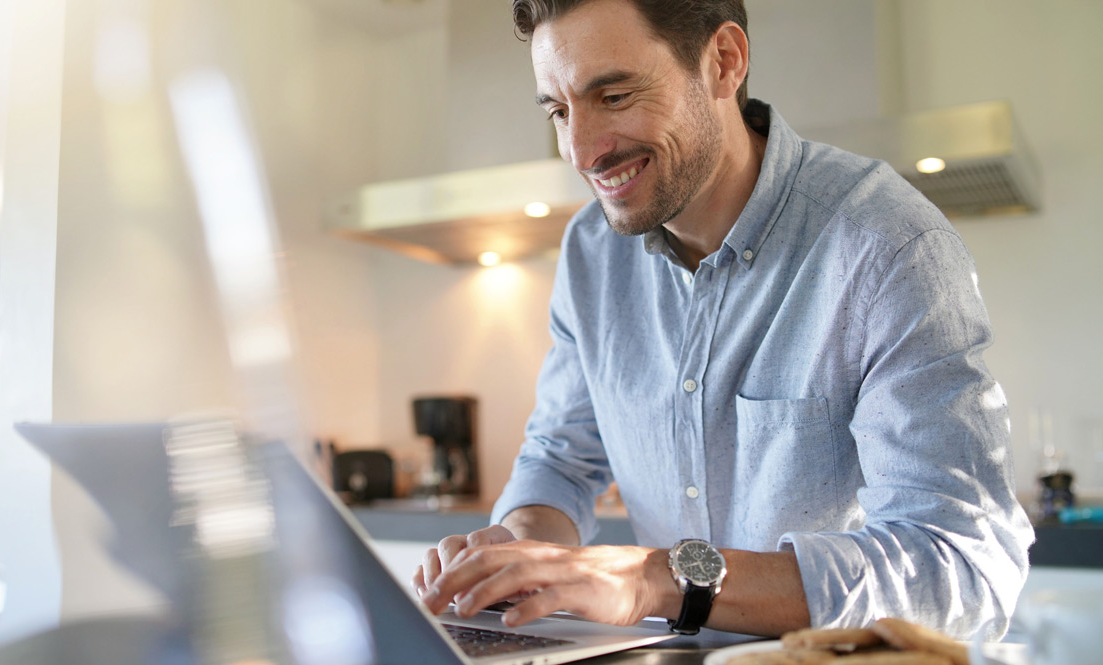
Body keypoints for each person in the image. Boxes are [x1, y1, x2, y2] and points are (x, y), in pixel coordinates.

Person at [413, 0, 1033, 640]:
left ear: (724, 62)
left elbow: (963, 567)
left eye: (616, 95)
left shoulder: (888, 247)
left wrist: (658, 580)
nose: (580, 150)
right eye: (560, 111)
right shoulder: (591, 251)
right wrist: (519, 552)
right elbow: (561, 458)